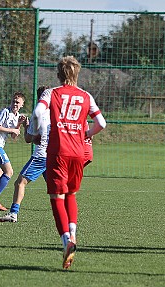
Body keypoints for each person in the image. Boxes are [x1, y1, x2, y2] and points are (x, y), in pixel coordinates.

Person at [32, 56, 106, 269]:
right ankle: (73, 233)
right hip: (78, 152)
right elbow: (101, 122)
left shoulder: (51, 93)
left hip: (58, 152)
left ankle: (66, 241)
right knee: (71, 195)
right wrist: (87, 134)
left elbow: (38, 112)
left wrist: (37, 132)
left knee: (57, 197)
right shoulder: (85, 95)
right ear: (77, 73)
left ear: (58, 74)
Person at [0, 86, 50, 222]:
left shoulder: (38, 114)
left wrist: (26, 127)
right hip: (52, 155)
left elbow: (28, 139)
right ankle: (67, 211)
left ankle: (13, 213)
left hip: (40, 157)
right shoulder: (55, 113)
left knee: (19, 183)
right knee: (55, 186)